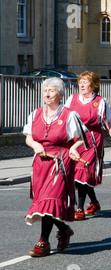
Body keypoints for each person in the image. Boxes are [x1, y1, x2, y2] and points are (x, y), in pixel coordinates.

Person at [23, 77, 87, 257]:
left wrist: (74, 149)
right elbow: (29, 136)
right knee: (44, 203)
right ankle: (64, 229)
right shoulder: (35, 114)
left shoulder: (69, 115)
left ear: (60, 95)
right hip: (40, 162)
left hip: (60, 162)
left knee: (49, 201)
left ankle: (43, 242)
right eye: (45, 91)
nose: (47, 94)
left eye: (51, 91)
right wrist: (36, 146)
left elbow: (82, 139)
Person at [65, 71, 111, 220]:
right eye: (81, 81)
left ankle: (79, 208)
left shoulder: (100, 101)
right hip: (76, 141)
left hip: (92, 141)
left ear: (93, 85)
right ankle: (95, 202)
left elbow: (108, 121)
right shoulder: (72, 99)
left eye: (86, 81)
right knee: (77, 176)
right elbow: (63, 118)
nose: (82, 84)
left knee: (83, 173)